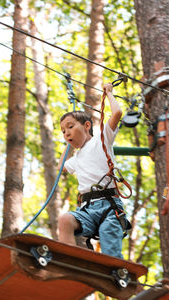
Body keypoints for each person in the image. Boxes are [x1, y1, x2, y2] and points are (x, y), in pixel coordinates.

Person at [58, 83, 127, 258]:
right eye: (63, 131)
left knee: (109, 249)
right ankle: (69, 262)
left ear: (87, 125)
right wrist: (68, 144)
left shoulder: (102, 139)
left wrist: (109, 93)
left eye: (70, 126)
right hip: (87, 209)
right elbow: (61, 168)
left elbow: (117, 114)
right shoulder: (76, 158)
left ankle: (118, 275)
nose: (66, 133)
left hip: (109, 206)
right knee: (65, 220)